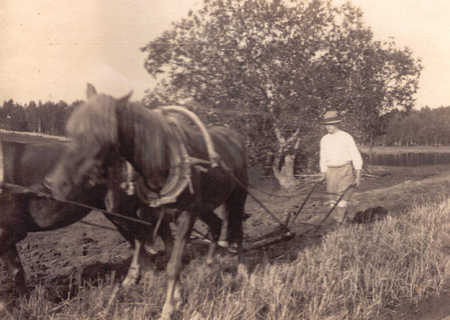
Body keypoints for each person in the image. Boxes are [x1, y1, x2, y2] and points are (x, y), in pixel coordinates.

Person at [319, 110, 362, 223]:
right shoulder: (324, 139)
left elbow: (356, 156)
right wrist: (323, 173)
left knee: (343, 198)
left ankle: (341, 221)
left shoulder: (346, 137)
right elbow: (323, 158)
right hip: (331, 172)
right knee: (332, 199)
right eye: (327, 125)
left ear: (337, 123)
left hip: (345, 170)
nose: (329, 127)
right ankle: (338, 219)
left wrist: (357, 176)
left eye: (331, 124)